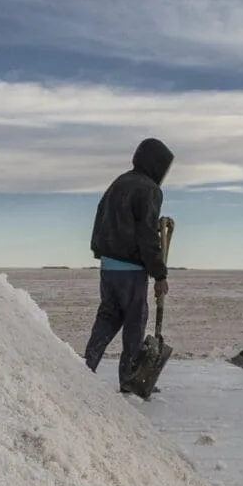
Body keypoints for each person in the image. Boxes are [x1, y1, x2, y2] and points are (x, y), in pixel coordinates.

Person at [85, 138, 173, 391]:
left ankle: (86, 367)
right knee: (135, 321)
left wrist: (101, 252)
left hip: (108, 266)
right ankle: (130, 378)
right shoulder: (149, 189)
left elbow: (100, 217)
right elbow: (147, 235)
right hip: (131, 269)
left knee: (108, 316)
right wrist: (159, 275)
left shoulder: (119, 183)